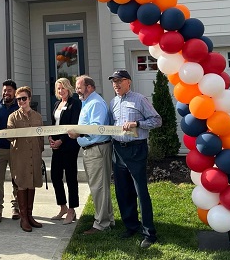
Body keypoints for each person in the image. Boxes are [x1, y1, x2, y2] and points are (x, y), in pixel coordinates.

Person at [109, 70, 162, 249]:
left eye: (119, 81)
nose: (116, 84)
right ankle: (131, 226)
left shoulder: (139, 99)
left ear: (128, 82)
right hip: (118, 150)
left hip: (136, 150)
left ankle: (149, 233)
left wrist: (137, 124)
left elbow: (157, 120)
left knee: (141, 191)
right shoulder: (113, 102)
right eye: (113, 82)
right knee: (123, 191)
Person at [67, 75, 114, 235]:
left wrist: (77, 133)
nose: (77, 90)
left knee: (98, 187)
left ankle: (101, 224)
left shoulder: (95, 103)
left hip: (97, 149)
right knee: (100, 187)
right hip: (93, 148)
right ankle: (108, 220)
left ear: (89, 87)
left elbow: (96, 128)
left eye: (79, 87)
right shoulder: (87, 103)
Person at [7, 86, 45, 232]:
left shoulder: (37, 116)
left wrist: (40, 151)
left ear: (29, 99)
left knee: (32, 184)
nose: (21, 101)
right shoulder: (13, 117)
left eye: (24, 98)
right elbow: (10, 135)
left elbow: (41, 137)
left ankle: (30, 215)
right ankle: (23, 218)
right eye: (18, 99)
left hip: (34, 154)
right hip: (19, 155)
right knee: (22, 183)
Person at [49, 78, 81, 225]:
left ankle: (72, 210)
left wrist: (61, 140)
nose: (60, 91)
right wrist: (51, 137)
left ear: (68, 88)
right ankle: (63, 207)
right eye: (58, 89)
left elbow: (73, 125)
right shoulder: (56, 104)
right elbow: (54, 123)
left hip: (69, 145)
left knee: (70, 178)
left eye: (63, 88)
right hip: (56, 145)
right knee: (55, 176)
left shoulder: (75, 104)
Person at [0, 79, 20, 223]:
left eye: (9, 90)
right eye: (4, 90)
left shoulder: (19, 106)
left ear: (14, 92)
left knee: (17, 180)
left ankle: (16, 208)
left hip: (16, 149)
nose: (6, 93)